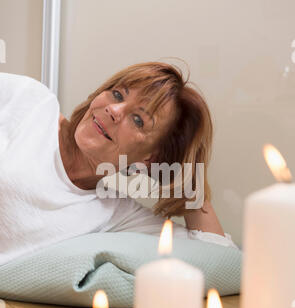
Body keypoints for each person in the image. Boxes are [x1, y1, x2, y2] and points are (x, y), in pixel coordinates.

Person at [0, 62, 237, 266]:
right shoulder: (31, 102)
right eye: (118, 94)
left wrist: (187, 180)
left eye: (138, 120)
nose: (113, 110)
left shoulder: (116, 214)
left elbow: (220, 259)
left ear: (150, 159)